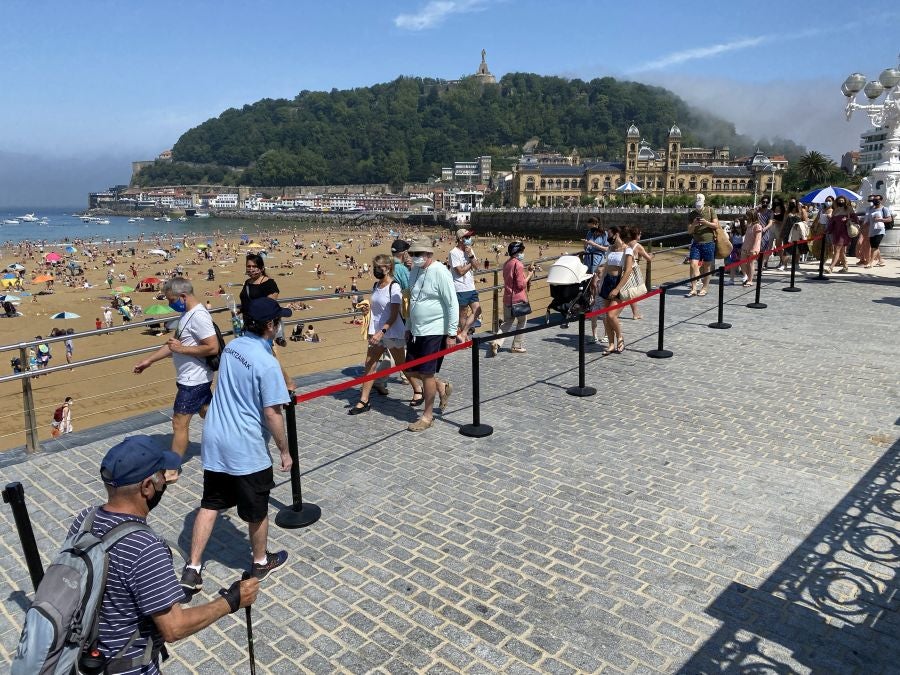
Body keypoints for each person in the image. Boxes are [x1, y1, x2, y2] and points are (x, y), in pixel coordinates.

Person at [63, 436, 259, 672]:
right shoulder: (146, 547)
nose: (163, 482)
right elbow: (174, 628)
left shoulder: (84, 520)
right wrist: (232, 600)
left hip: (82, 656)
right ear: (147, 487)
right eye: (161, 476)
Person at [180, 297, 292, 592]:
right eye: (279, 320)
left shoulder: (233, 347)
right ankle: (260, 561)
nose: (280, 324)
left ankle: (192, 567)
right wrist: (284, 450)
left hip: (216, 436)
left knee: (211, 503)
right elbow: (272, 413)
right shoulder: (267, 363)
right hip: (245, 445)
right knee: (257, 509)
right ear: (270, 325)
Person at [133, 278, 218, 470]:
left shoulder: (198, 316)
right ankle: (233, 438)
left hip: (194, 380)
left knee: (179, 423)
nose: (170, 304)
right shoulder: (187, 315)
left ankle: (171, 468)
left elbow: (212, 348)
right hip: (191, 377)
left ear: (182, 296)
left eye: (171, 300)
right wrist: (149, 361)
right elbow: (173, 345)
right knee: (208, 413)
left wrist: (181, 350)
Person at [348, 254, 420, 413]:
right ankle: (364, 400)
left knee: (402, 364)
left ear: (388, 268)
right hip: (376, 331)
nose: (376, 270)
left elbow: (394, 314)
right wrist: (367, 310)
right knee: (369, 364)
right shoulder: (376, 285)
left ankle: (418, 389)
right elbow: (377, 308)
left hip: (391, 331)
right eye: (375, 267)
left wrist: (383, 331)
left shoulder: (394, 287)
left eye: (379, 267)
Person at [405, 238, 458, 432]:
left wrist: (451, 333)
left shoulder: (440, 272)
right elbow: (413, 300)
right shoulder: (415, 271)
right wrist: (408, 326)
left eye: (418, 254)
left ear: (429, 254)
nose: (414, 258)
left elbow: (452, 303)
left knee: (427, 374)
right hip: (416, 329)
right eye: (412, 254)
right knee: (409, 369)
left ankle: (427, 416)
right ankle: (441, 386)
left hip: (435, 330)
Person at [240, 253, 294, 391]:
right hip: (247, 325)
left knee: (269, 358)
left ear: (261, 268)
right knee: (255, 358)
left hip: (263, 327)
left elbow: (269, 306)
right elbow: (246, 303)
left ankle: (287, 383)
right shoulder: (247, 283)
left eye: (254, 266)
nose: (251, 269)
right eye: (248, 266)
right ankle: (266, 385)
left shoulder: (269, 283)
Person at [489, 241, 534, 356]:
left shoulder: (507, 263)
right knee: (522, 321)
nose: (523, 253)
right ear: (517, 252)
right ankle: (516, 346)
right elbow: (521, 285)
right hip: (518, 299)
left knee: (507, 322)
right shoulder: (518, 264)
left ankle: (496, 342)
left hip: (507, 297)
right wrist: (529, 274)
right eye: (522, 251)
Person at [595, 226, 633, 355]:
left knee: (612, 315)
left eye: (609, 235)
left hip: (619, 283)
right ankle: (611, 344)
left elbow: (628, 271)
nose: (608, 238)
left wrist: (617, 288)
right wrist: (600, 282)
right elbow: (606, 267)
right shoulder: (611, 249)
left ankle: (620, 338)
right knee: (606, 316)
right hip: (607, 282)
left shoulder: (627, 250)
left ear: (616, 235)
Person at [449, 228, 481, 341]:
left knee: (478, 310)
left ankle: (463, 333)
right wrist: (471, 264)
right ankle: (464, 337)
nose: (469, 239)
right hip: (460, 288)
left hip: (471, 286)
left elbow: (477, 266)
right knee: (463, 314)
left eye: (469, 237)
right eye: (467, 237)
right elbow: (460, 271)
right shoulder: (453, 253)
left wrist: (470, 257)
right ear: (460, 239)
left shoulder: (470, 251)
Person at [686, 193, 720, 297]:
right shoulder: (692, 214)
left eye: (700, 204)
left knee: (707, 267)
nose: (698, 206)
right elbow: (689, 231)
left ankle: (704, 288)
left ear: (704, 202)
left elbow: (716, 225)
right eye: (697, 204)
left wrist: (706, 223)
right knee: (692, 264)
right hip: (696, 242)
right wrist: (694, 224)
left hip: (709, 243)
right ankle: (694, 288)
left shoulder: (710, 210)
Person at [826, 196, 859, 274]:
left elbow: (856, 219)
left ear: (845, 201)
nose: (841, 202)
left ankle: (831, 267)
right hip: (836, 232)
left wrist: (847, 219)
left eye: (842, 200)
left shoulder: (849, 209)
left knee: (837, 250)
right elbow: (832, 223)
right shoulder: (835, 211)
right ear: (837, 201)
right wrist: (827, 230)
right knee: (841, 252)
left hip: (844, 232)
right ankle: (845, 267)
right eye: (839, 200)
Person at [625, 227, 652, 318]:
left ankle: (635, 313)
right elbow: (648, 258)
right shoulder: (638, 246)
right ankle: (635, 313)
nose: (640, 236)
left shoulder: (626, 244)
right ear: (637, 235)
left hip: (625, 268)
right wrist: (653, 255)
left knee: (630, 292)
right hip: (633, 270)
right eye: (640, 234)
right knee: (632, 292)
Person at [863, 194, 890, 268]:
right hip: (872, 230)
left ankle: (870, 263)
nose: (875, 201)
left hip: (880, 230)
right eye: (874, 200)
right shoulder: (871, 209)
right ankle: (881, 260)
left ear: (881, 200)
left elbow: (889, 219)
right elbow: (868, 220)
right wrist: (862, 227)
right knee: (874, 247)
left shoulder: (884, 209)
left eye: (877, 199)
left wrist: (881, 219)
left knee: (874, 247)